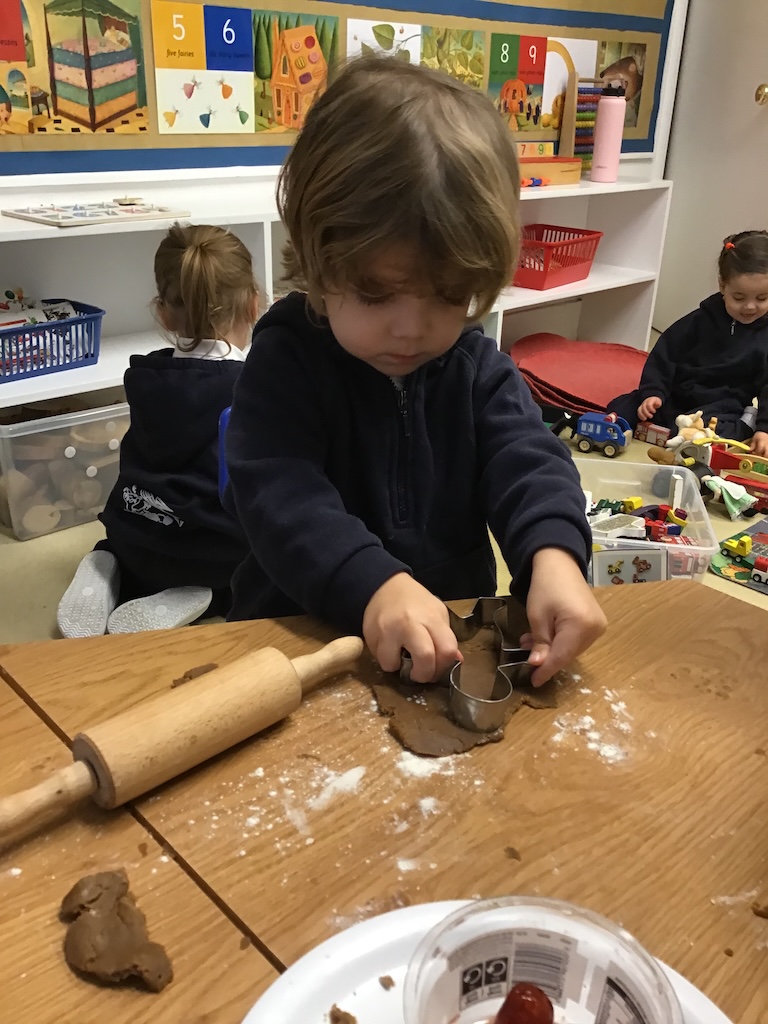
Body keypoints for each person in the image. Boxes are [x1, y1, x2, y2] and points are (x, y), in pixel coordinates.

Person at [224, 56, 606, 686]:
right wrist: (373, 583)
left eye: (449, 295)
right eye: (376, 294)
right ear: (318, 262)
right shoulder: (286, 361)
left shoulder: (475, 367)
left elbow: (528, 459)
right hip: (298, 636)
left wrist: (554, 554)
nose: (411, 329)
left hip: (449, 641)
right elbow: (277, 494)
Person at [57, 223, 257, 638]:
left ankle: (104, 564)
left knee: (128, 541)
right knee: (259, 564)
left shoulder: (146, 377)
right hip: (209, 554)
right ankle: (204, 596)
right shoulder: (252, 388)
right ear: (255, 306)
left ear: (163, 313)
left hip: (132, 535)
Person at [608, 230, 768, 456]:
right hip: (680, 393)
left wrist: (764, 429)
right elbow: (665, 355)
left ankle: (737, 426)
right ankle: (642, 427)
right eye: (739, 297)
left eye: (762, 298)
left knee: (716, 432)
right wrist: (653, 393)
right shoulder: (699, 320)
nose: (750, 307)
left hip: (723, 404)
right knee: (627, 405)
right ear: (723, 286)